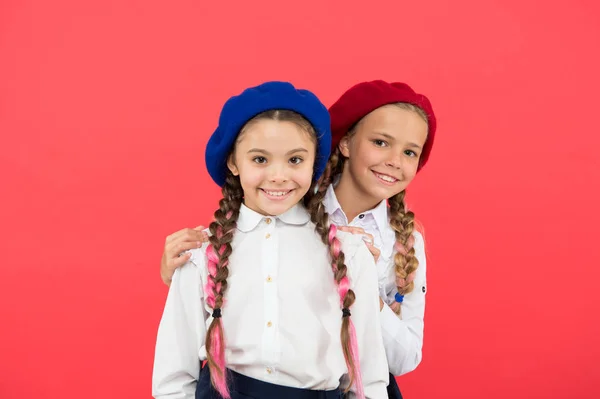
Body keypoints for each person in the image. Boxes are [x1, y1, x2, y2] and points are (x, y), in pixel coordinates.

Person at [160, 80, 437, 399]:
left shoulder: (385, 244)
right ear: (344, 143)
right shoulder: (285, 199)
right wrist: (176, 271)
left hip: (345, 379)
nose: (394, 160)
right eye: (380, 142)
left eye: (410, 151)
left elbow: (397, 360)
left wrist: (358, 287)